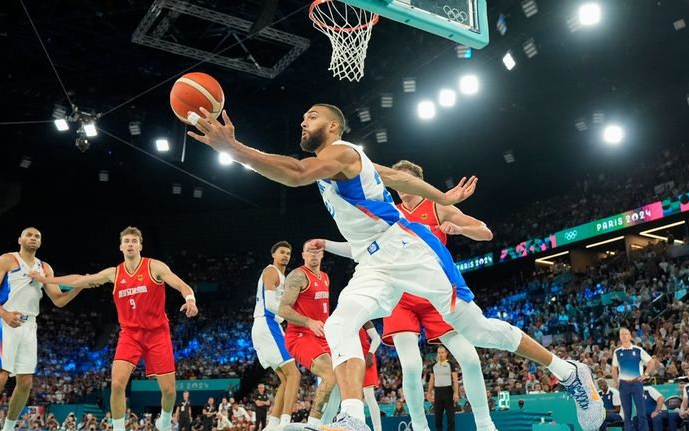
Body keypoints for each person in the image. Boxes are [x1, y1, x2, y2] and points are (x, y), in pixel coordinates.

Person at [187, 103, 605, 431]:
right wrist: (444, 196)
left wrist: (234, 149)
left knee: (475, 329)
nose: (302, 122)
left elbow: (295, 173)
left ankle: (570, 373)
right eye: (302, 117)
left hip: (407, 249)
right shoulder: (354, 161)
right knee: (339, 324)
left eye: (310, 116)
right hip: (372, 264)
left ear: (333, 127)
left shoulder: (340, 153)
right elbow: (398, 179)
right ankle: (352, 416)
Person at [29, 226, 199, 431]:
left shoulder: (155, 267)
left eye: (134, 241)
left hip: (157, 334)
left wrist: (190, 301)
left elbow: (183, 286)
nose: (130, 244)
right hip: (130, 335)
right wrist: (45, 280)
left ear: (140, 246)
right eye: (126, 241)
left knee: (170, 391)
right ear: (121, 246)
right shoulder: (113, 273)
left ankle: (163, 422)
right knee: (117, 384)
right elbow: (80, 279)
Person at [380, 159, 496, 431]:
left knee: (469, 358)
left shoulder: (438, 206)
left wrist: (460, 229)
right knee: (410, 366)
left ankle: (485, 424)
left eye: (402, 179)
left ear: (417, 182)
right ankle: (419, 427)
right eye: (393, 180)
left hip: (436, 296)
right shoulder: (389, 213)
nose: (398, 184)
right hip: (402, 297)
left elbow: (485, 232)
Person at [0, 227, 86, 431]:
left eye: (37, 236)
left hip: (29, 325)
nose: (33, 238)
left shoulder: (45, 268)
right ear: (20, 239)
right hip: (5, 321)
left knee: (25, 382)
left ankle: (9, 428)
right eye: (29, 235)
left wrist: (79, 286)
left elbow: (59, 300)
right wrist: (5, 315)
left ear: (40, 243)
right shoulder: (7, 260)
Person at [279, 241, 337, 426]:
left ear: (322, 254)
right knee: (329, 373)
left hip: (322, 336)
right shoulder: (298, 275)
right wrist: (308, 322)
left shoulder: (326, 277)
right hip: (300, 336)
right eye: (309, 251)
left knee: (342, 376)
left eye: (316, 251)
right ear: (303, 255)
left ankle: (324, 425)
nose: (313, 254)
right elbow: (283, 309)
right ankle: (312, 425)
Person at [252, 241, 301, 431]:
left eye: (288, 253)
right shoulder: (271, 271)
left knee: (287, 379)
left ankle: (272, 425)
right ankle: (285, 423)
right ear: (273, 254)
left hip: (270, 325)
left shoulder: (284, 276)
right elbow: (271, 304)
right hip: (267, 323)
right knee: (294, 375)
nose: (286, 256)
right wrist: (294, 316)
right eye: (282, 252)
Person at [611, 328, 658, 431]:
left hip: (637, 383)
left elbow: (651, 362)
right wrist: (616, 380)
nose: (623, 336)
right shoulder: (617, 352)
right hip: (623, 385)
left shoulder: (638, 350)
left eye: (626, 334)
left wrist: (645, 374)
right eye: (621, 334)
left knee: (641, 411)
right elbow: (614, 368)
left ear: (630, 336)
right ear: (619, 337)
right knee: (627, 413)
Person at [428, 346, 459, 431]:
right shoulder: (434, 366)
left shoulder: (451, 364)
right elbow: (431, 380)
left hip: (448, 391)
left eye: (442, 352)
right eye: (439, 353)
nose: (440, 354)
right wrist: (429, 393)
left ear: (446, 353)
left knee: (450, 417)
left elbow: (455, 380)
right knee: (438, 418)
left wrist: (456, 393)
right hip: (438, 392)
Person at [359, 323, 381, 431]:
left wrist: (370, 354)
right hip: (352, 360)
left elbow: (377, 338)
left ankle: (378, 429)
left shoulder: (364, 318)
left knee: (369, 396)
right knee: (355, 398)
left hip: (367, 358)